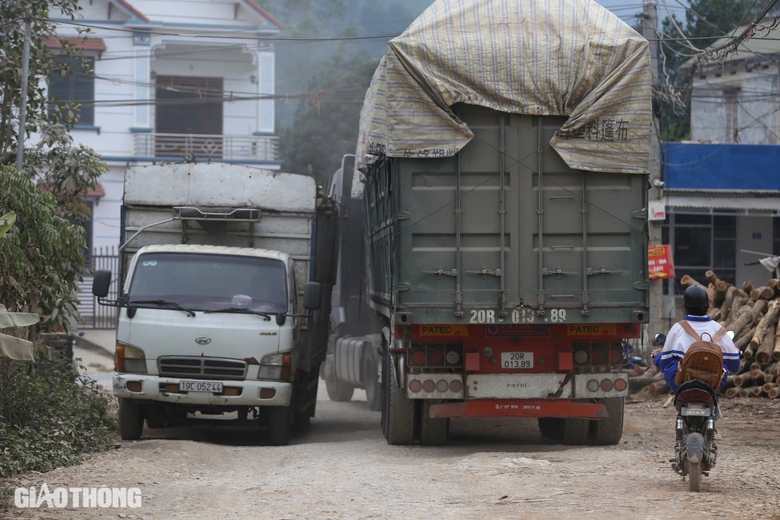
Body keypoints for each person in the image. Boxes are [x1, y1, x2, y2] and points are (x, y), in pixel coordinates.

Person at [652, 285, 740, 395]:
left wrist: (657, 357)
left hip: (681, 385)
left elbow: (664, 363)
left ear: (684, 304)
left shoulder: (677, 328)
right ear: (708, 306)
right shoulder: (719, 329)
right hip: (711, 386)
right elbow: (735, 367)